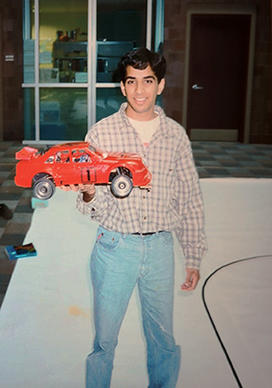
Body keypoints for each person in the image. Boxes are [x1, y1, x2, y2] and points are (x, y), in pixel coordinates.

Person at [62, 47, 207, 387]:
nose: (140, 90)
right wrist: (86, 192)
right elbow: (91, 206)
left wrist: (193, 255)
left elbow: (190, 200)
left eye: (148, 81)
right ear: (123, 87)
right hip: (114, 249)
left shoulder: (175, 137)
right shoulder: (100, 135)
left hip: (159, 250)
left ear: (160, 85)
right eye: (132, 82)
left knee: (163, 341)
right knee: (104, 342)